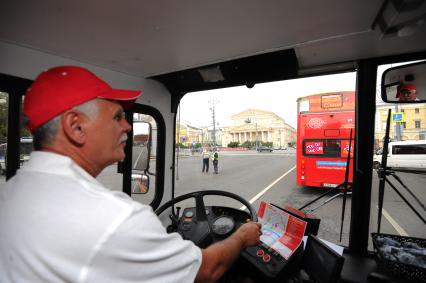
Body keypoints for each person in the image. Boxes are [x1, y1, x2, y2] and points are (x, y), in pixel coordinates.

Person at [0, 66, 262, 283]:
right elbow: (208, 270)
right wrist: (241, 237)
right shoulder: (116, 218)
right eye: (117, 117)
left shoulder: (9, 192)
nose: (127, 125)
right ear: (76, 127)